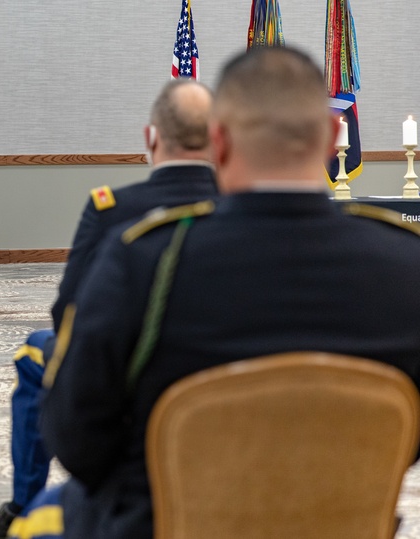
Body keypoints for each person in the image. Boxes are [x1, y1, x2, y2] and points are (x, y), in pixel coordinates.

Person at [40, 46, 420, 539]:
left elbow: (74, 439)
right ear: (331, 139)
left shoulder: (144, 260)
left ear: (218, 141)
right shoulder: (406, 266)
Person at [0, 79, 218, 539]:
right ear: (219, 141)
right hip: (223, 372)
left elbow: (69, 312)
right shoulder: (240, 207)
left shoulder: (112, 208)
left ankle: (23, 505)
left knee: (35, 353)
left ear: (151, 138)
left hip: (128, 379)